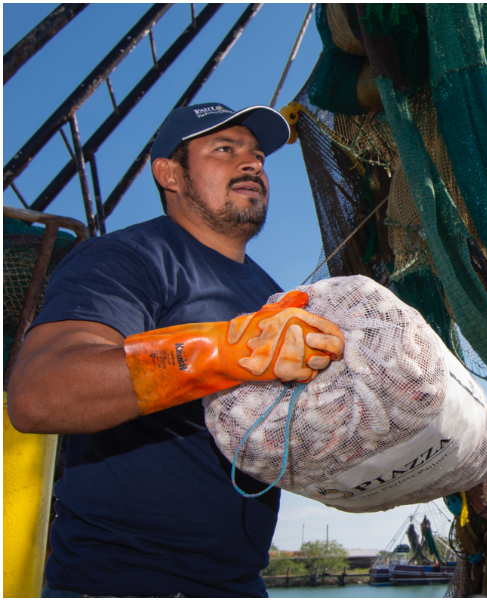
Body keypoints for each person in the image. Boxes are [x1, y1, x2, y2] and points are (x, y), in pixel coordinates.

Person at [7, 102, 346, 597]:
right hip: (120, 580)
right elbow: (39, 391)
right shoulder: (125, 258)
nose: (252, 164)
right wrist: (224, 353)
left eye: (257, 156)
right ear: (169, 173)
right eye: (225, 150)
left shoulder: (273, 295)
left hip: (240, 583)